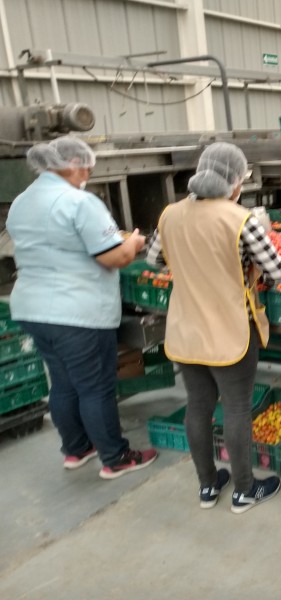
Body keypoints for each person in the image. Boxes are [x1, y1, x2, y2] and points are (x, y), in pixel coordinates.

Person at [146, 142, 281, 514]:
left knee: (199, 406)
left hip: (186, 327)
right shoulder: (240, 218)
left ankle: (208, 486)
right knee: (237, 408)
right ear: (236, 180)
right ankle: (244, 490)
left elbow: (155, 260)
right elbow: (277, 271)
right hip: (230, 329)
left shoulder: (170, 214)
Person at [7, 137, 158, 479]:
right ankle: (116, 457)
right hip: (76, 313)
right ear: (73, 164)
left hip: (32, 308)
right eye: (87, 166)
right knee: (96, 387)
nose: (89, 172)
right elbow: (115, 257)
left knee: (62, 383)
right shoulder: (79, 202)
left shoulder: (22, 201)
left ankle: (76, 449)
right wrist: (132, 243)